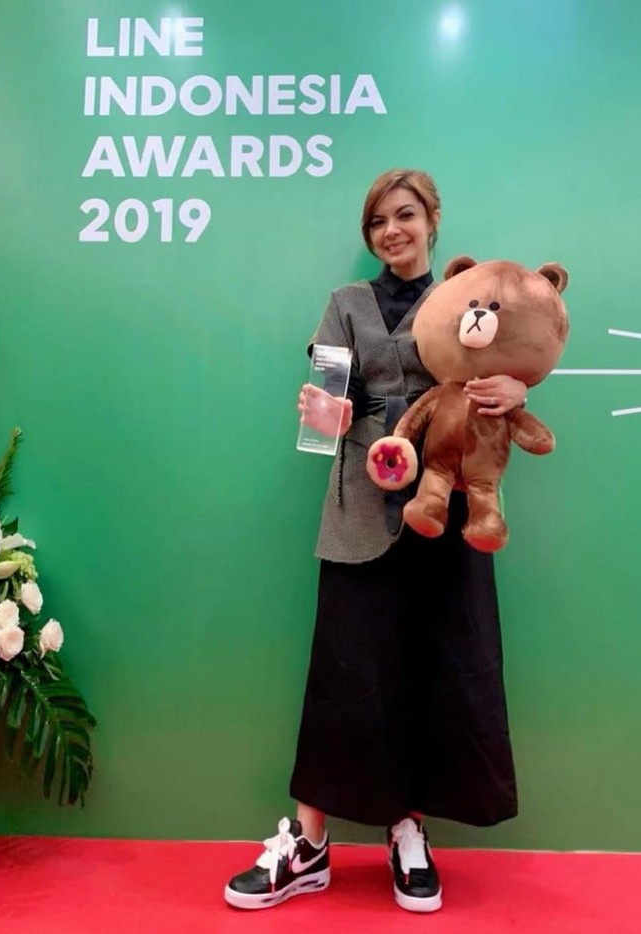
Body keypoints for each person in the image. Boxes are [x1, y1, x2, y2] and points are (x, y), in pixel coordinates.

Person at [224, 169, 525, 913]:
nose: (392, 231)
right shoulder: (345, 305)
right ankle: (308, 844)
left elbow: (517, 354)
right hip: (359, 509)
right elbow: (326, 413)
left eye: (405, 215)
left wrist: (519, 388)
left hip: (444, 512)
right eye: (378, 222)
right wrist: (326, 414)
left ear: (433, 220)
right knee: (343, 673)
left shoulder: (464, 297)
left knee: (432, 672)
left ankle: (408, 832)